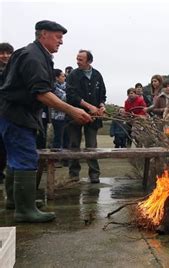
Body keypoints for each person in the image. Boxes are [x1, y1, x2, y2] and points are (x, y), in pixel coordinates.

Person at [0, 20, 92, 222]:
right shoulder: (33, 57)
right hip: (17, 115)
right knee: (25, 158)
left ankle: (17, 201)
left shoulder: (31, 53)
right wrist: (72, 110)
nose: (61, 42)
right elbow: (41, 93)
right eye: (58, 37)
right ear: (43, 35)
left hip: (11, 113)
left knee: (15, 157)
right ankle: (25, 211)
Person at [66, 49, 107, 183]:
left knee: (92, 145)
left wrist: (101, 105)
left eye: (81, 60)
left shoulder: (97, 75)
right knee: (74, 144)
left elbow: (102, 94)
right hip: (75, 115)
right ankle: (73, 174)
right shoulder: (73, 75)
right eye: (77, 59)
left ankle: (94, 174)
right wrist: (89, 106)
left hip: (93, 117)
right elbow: (71, 95)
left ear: (89, 61)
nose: (78, 62)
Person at [0, 42, 14, 183]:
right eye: (2, 53)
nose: (5, 56)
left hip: (9, 113)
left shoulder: (13, 70)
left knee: (5, 146)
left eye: (8, 53)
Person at [51, 69, 69, 152]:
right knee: (58, 138)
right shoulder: (53, 88)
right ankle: (56, 158)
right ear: (56, 78)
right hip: (57, 116)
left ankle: (66, 159)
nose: (64, 77)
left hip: (67, 115)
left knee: (67, 138)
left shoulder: (67, 86)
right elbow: (65, 97)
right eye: (62, 76)